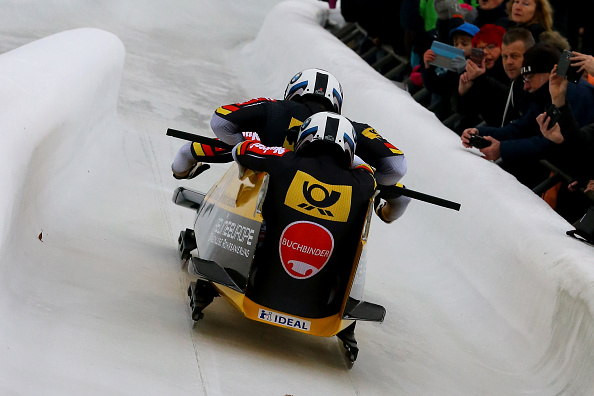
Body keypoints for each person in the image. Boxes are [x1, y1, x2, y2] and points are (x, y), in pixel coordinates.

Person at [171, 68, 411, 224]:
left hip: (265, 198)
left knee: (250, 144)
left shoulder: (272, 109)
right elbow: (396, 168)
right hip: (325, 212)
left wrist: (185, 163)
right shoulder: (350, 129)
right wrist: (372, 187)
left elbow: (221, 122)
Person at [232, 111, 377, 357]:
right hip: (322, 309)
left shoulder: (283, 161)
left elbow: (241, 150)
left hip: (256, 290)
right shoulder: (363, 184)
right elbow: (367, 169)